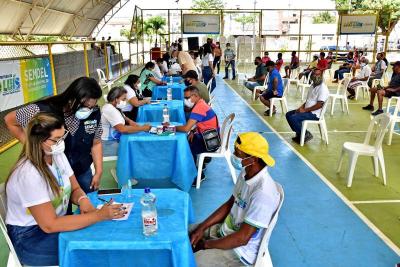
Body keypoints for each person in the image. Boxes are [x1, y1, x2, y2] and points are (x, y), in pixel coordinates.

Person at [5, 113, 125, 266]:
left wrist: (83, 200)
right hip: (32, 237)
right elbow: (50, 225)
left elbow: (75, 188)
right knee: (93, 246)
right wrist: (99, 215)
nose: (60, 143)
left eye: (62, 137)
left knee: (100, 232)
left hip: (55, 222)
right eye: (56, 140)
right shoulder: (28, 174)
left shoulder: (56, 154)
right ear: (38, 141)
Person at [189, 132, 280, 267]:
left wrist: (207, 245)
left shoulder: (263, 193)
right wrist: (201, 228)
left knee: (190, 262)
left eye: (238, 153)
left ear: (253, 159)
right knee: (186, 234)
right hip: (225, 231)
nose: (234, 156)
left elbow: (242, 239)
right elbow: (229, 204)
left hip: (239, 252)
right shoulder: (246, 173)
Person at [5, 77, 104, 193]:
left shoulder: (94, 113)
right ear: (72, 98)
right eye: (85, 106)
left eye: (92, 107)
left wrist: (98, 171)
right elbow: (9, 120)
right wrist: (32, 146)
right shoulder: (42, 110)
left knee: (90, 200)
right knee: (62, 207)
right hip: (55, 171)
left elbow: (96, 143)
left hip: (82, 169)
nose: (88, 110)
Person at [176, 86, 218, 183]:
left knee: (187, 146)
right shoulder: (201, 103)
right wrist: (193, 131)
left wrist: (172, 128)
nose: (185, 101)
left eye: (187, 98)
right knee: (189, 140)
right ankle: (196, 167)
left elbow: (186, 128)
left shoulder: (199, 107)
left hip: (210, 142)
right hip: (210, 136)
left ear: (195, 96)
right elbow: (197, 125)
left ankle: (197, 175)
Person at [101, 87, 151, 155]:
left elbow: (125, 118)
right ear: (116, 99)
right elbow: (122, 129)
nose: (125, 101)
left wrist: (133, 123)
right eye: (123, 99)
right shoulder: (110, 110)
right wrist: (142, 128)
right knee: (137, 149)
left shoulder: (115, 107)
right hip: (109, 143)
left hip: (116, 139)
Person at [286, 69, 329, 144]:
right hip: (307, 110)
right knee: (289, 114)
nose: (316, 76)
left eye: (318, 75)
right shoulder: (312, 86)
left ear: (321, 76)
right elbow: (308, 101)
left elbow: (320, 105)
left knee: (293, 118)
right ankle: (301, 134)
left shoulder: (323, 88)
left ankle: (305, 134)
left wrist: (305, 110)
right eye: (314, 74)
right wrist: (301, 108)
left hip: (314, 114)